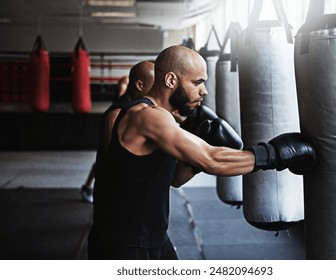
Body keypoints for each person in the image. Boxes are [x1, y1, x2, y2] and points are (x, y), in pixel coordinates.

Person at [87, 45, 316, 260]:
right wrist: (275, 154)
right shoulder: (148, 116)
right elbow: (213, 160)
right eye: (197, 83)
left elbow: (175, 178)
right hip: (125, 244)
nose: (204, 91)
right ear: (170, 80)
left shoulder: (160, 118)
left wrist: (193, 161)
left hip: (150, 237)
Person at [80, 61, 155, 203]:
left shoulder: (140, 110)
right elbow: (114, 160)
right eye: (154, 86)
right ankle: (87, 187)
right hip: (114, 195)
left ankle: (87, 187)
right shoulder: (117, 114)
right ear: (139, 85)